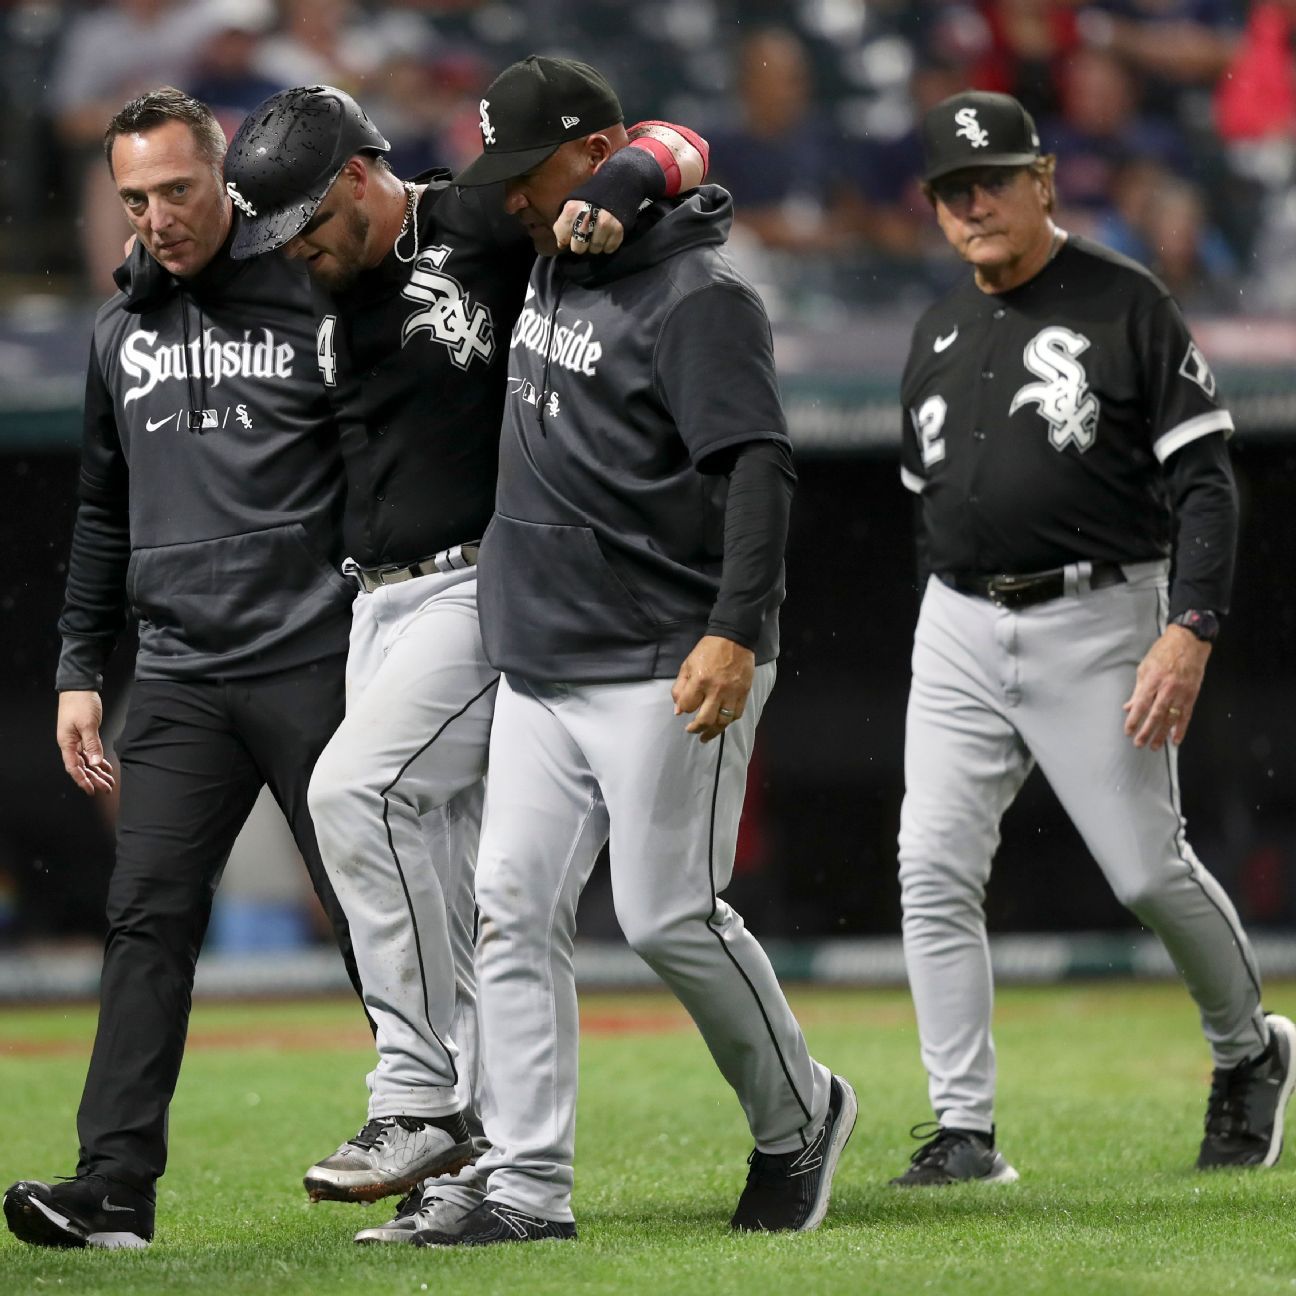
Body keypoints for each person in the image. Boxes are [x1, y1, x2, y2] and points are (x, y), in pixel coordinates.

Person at [221, 78, 708, 1242]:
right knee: (469, 895)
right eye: (276, 236)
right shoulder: (312, 285)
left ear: (356, 174)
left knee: (357, 791)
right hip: (377, 603)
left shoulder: (478, 223)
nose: (298, 251)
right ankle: (493, 1169)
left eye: (309, 221)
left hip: (483, 580)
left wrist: (629, 180)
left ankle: (417, 1098)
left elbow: (678, 141)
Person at [412, 55, 856, 1248]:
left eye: (536, 171)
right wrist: (638, 161)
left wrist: (732, 629)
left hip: (667, 651)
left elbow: (760, 466)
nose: (513, 198)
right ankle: (525, 1187)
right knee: (509, 908)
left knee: (669, 918)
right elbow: (476, 194)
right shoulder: (545, 239)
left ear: (597, 152)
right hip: (543, 651)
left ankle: (801, 1116)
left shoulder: (700, 294)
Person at [892, 89, 1295, 1187]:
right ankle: (962, 1129)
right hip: (961, 621)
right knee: (929, 867)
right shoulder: (933, 328)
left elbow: (1207, 482)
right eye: (952, 191)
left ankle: (1248, 1049)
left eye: (992, 181)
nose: (973, 204)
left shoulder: (1125, 301)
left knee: (1146, 873)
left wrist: (1191, 625)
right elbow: (927, 497)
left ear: (1044, 179)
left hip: (1100, 610)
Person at [2, 87, 367, 1250]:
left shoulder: (317, 286)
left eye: (177, 190)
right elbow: (102, 511)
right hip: (176, 671)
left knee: (382, 921)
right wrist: (76, 667)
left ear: (225, 181)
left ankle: (476, 1148)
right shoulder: (121, 330)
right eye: (133, 199)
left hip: (319, 657)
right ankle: (113, 1190)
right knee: (144, 923)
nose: (156, 217)